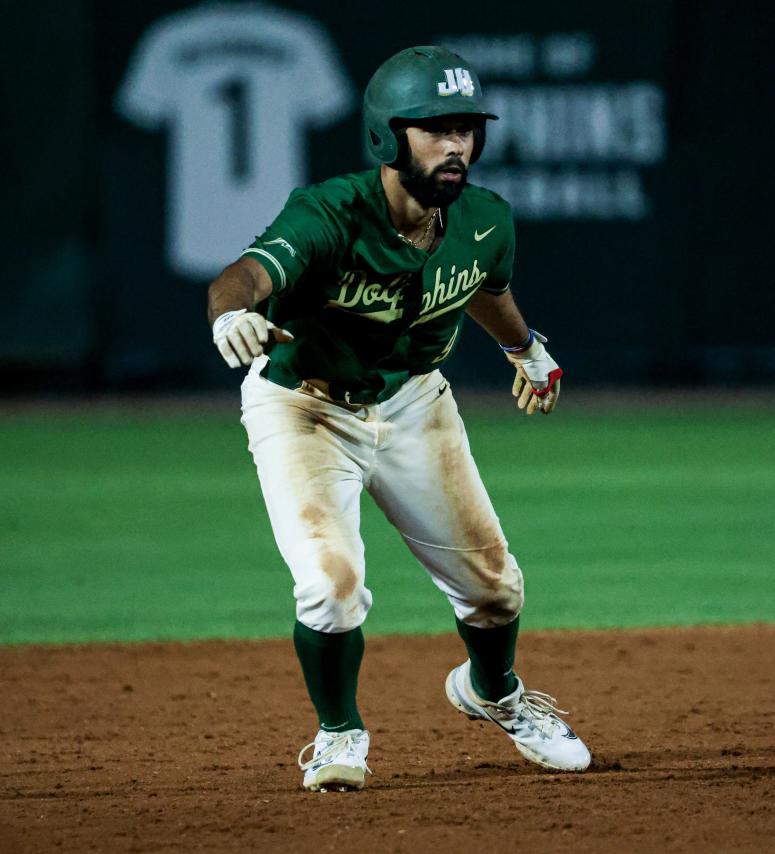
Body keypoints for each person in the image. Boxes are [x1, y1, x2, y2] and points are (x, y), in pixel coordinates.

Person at [207, 45, 590, 792]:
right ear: (388, 135)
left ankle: (494, 692)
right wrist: (230, 315)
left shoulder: (484, 221)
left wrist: (525, 348)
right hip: (305, 407)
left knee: (496, 591)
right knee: (329, 582)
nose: (457, 145)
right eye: (435, 129)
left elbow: (481, 284)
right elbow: (245, 275)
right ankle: (337, 734)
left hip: (415, 400)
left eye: (468, 128)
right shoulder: (330, 213)